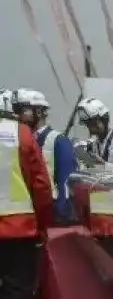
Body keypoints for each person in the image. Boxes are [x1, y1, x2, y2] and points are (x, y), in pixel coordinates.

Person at [0, 88, 55, 299]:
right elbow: (41, 186)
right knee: (20, 291)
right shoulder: (22, 135)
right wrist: (43, 223)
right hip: (19, 227)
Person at [12, 90, 78, 224]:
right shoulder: (19, 140)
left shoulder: (58, 141)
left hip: (53, 214)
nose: (17, 115)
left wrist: (61, 215)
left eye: (22, 110)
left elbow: (66, 181)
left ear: (39, 112)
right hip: (28, 214)